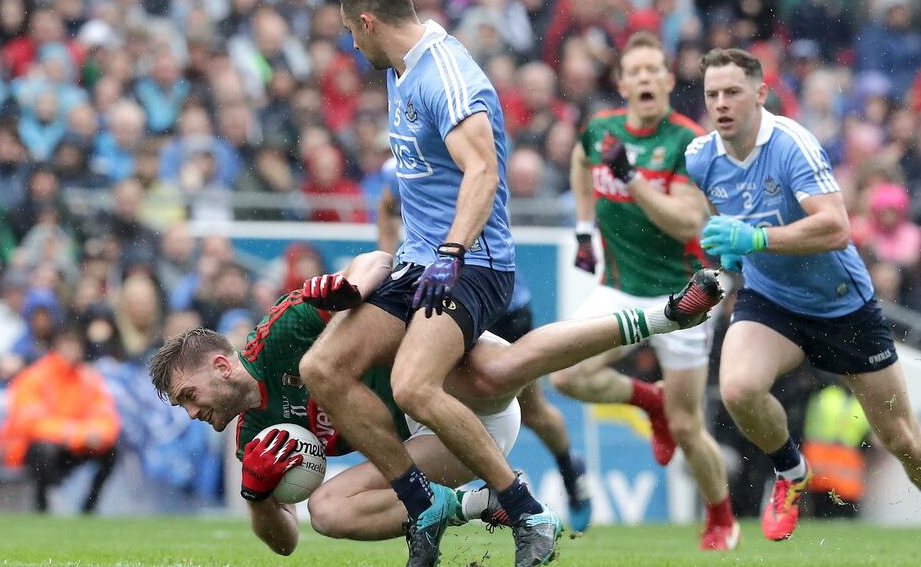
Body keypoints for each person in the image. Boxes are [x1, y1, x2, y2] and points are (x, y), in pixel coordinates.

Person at [148, 249, 723, 557]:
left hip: (443, 376)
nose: (193, 412)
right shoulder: (254, 437)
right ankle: (472, 506)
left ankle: (665, 315)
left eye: (188, 397)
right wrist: (256, 500)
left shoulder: (281, 336)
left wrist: (351, 282)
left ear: (221, 366)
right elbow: (287, 543)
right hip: (439, 439)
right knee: (327, 514)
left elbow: (374, 260)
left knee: (504, 369)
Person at [307, 0, 559, 565]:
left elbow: (483, 171)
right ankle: (422, 502)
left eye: (351, 30)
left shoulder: (445, 75)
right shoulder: (401, 70)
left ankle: (526, 510)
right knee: (322, 367)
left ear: (369, 21)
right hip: (418, 261)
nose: (351, 42)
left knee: (413, 386)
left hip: (474, 263)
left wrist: (450, 252)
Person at [688, 47, 921, 542]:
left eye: (733, 91)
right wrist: (726, 267)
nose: (722, 103)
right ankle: (792, 474)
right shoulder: (701, 157)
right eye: (713, 94)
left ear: (760, 93)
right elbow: (723, 228)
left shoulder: (792, 144)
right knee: (737, 389)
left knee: (901, 441)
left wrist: (754, 239)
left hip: (843, 306)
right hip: (772, 301)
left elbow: (836, 228)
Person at [553, 32, 738, 550]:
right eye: (634, 71)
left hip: (683, 301)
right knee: (565, 377)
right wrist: (584, 231)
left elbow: (687, 223)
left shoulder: (686, 142)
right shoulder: (601, 131)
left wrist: (632, 180)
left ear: (667, 79)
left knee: (687, 426)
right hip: (619, 289)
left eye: (653, 70)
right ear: (622, 83)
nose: (644, 79)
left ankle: (720, 516)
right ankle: (647, 400)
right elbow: (580, 163)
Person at [377, 158, 593, 533]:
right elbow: (387, 207)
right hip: (438, 298)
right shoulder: (400, 167)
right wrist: (386, 265)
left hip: (496, 304)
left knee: (533, 409)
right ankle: (466, 497)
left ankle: (567, 471)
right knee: (426, 391)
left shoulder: (468, 158)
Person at [0, 324, 120, 513]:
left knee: (112, 450)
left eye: (75, 345)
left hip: (71, 447)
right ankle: (42, 505)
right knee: (44, 449)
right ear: (56, 346)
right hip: (32, 449)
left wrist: (92, 435)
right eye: (67, 344)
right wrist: (78, 434)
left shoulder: (88, 379)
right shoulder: (35, 377)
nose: (72, 351)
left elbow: (107, 419)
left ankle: (88, 507)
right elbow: (31, 424)